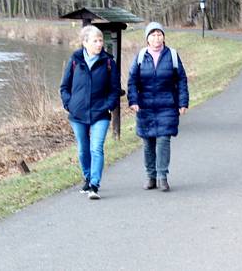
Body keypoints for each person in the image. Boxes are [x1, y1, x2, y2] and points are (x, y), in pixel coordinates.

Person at [60, 25, 120, 199]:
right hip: (77, 114)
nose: (99, 44)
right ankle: (87, 177)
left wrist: (109, 105)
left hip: (100, 113)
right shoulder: (74, 60)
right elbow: (64, 86)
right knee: (83, 150)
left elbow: (115, 89)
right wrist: (69, 104)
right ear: (85, 42)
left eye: (101, 40)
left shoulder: (108, 62)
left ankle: (94, 185)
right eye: (95, 40)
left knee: (97, 148)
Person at [128, 22, 189, 192]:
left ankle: (162, 176)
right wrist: (133, 100)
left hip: (167, 105)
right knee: (148, 142)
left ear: (164, 37)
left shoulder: (173, 56)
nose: (157, 38)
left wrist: (183, 102)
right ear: (147, 38)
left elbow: (181, 80)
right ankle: (151, 176)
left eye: (159, 35)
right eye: (153, 35)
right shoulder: (140, 57)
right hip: (145, 106)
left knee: (163, 140)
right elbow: (132, 80)